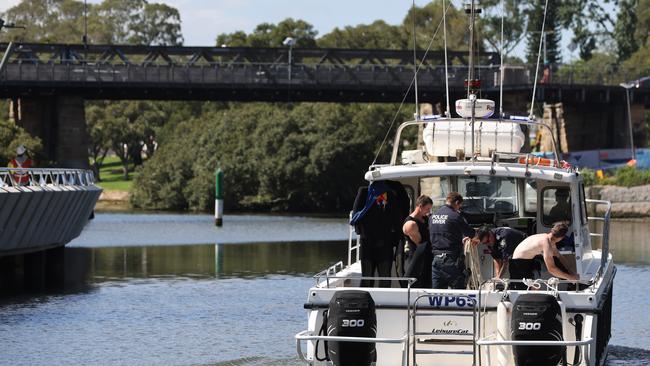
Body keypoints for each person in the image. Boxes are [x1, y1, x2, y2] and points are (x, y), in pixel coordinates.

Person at [510, 222, 579, 289]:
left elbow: (559, 256)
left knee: (556, 261)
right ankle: (572, 284)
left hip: (524, 260)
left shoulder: (547, 237)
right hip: (518, 264)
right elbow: (551, 269)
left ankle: (572, 284)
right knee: (529, 289)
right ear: (562, 238)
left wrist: (571, 272)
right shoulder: (546, 243)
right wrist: (570, 278)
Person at [429, 192, 475, 289]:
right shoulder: (455, 216)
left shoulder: (433, 216)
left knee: (437, 294)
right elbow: (471, 233)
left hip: (436, 259)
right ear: (457, 202)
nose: (459, 208)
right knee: (460, 289)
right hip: (450, 259)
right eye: (459, 206)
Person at [402, 195, 433, 288]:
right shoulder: (411, 224)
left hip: (428, 256)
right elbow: (419, 243)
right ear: (420, 206)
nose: (428, 211)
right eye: (427, 209)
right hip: (417, 258)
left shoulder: (426, 219)